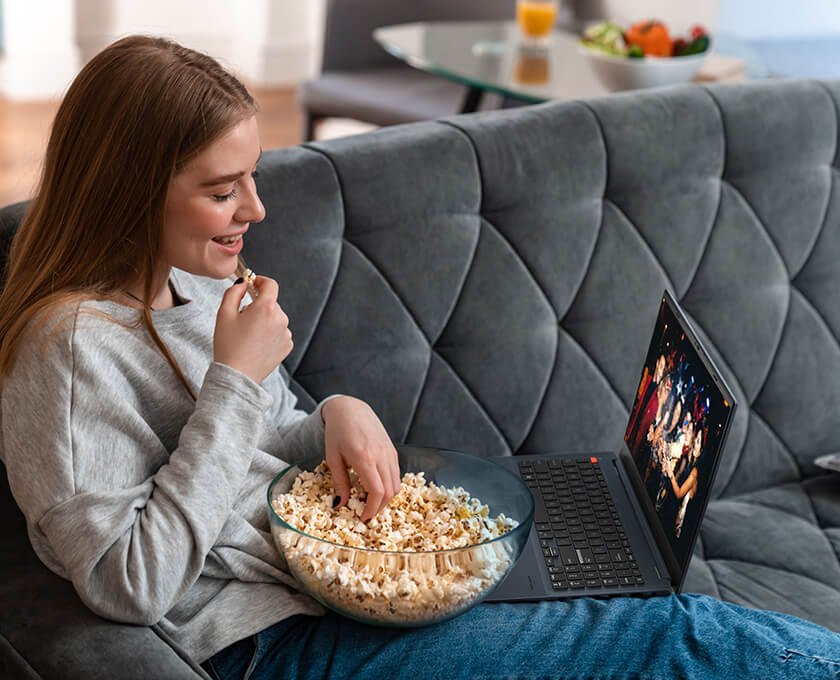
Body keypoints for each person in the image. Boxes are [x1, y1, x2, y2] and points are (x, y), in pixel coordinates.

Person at [0, 35, 838, 680]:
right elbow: (130, 585)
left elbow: (272, 430)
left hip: (342, 574)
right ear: (130, 189)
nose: (254, 207)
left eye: (250, 177)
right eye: (222, 191)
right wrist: (233, 379)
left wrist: (336, 413)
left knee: (625, 587)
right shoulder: (68, 353)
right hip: (273, 640)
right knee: (678, 638)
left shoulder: (198, 282)